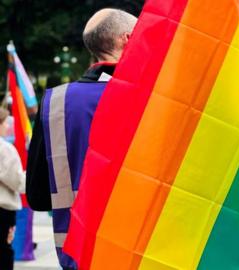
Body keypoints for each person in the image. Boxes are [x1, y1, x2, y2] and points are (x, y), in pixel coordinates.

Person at [26, 8, 137, 269]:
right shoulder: (151, 100)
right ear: (128, 39)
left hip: (78, 254)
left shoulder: (55, 103)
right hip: (141, 251)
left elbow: (38, 196)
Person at [0, 108, 25, 270]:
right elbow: (17, 181)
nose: (7, 126)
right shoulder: (5, 149)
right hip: (3, 210)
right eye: (5, 122)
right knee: (4, 251)